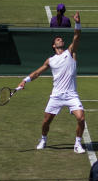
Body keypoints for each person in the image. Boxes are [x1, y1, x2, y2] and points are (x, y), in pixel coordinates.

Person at [17, 11, 88, 154]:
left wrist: (77, 23)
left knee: (81, 118)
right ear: (53, 45)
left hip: (71, 95)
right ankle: (43, 139)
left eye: (61, 39)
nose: (60, 40)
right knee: (46, 122)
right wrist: (25, 80)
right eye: (58, 39)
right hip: (56, 95)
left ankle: (77, 144)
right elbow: (37, 73)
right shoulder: (50, 60)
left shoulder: (70, 52)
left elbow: (77, 36)